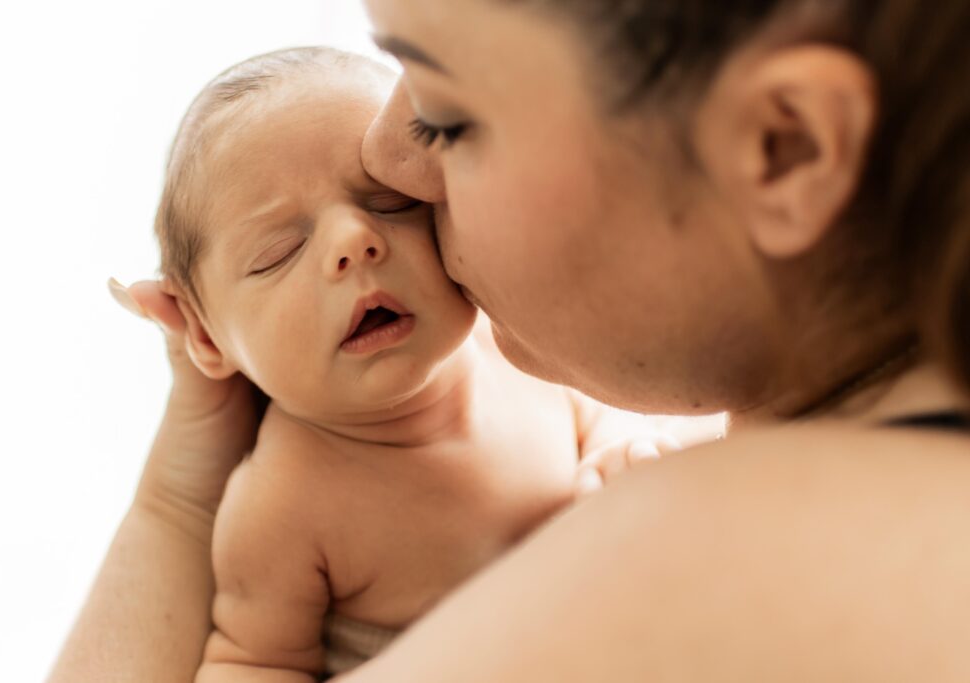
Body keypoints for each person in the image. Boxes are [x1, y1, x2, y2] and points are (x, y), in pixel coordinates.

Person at [51, 0, 970, 681]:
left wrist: (171, 506)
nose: (386, 157)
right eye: (280, 250)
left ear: (785, 148)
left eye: (445, 115)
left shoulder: (686, 553)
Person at [115, 46, 688, 682]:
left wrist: (620, 451)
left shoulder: (518, 353)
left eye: (391, 203)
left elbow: (603, 414)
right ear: (204, 336)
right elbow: (253, 660)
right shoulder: (281, 505)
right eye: (279, 252)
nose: (353, 242)